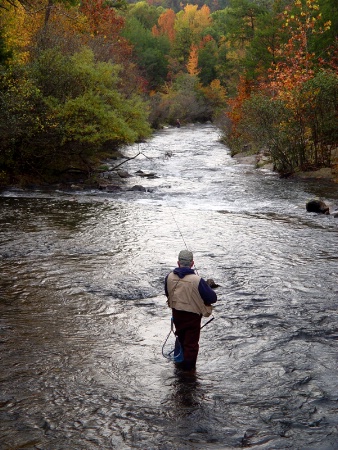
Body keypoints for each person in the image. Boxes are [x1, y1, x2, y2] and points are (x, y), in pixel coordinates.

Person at [165, 249, 217, 371]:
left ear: (178, 263)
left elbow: (168, 293)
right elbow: (212, 298)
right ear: (192, 263)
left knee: (181, 338)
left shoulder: (169, 277)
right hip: (192, 317)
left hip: (177, 315)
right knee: (191, 345)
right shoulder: (197, 280)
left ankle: (179, 368)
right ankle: (189, 375)